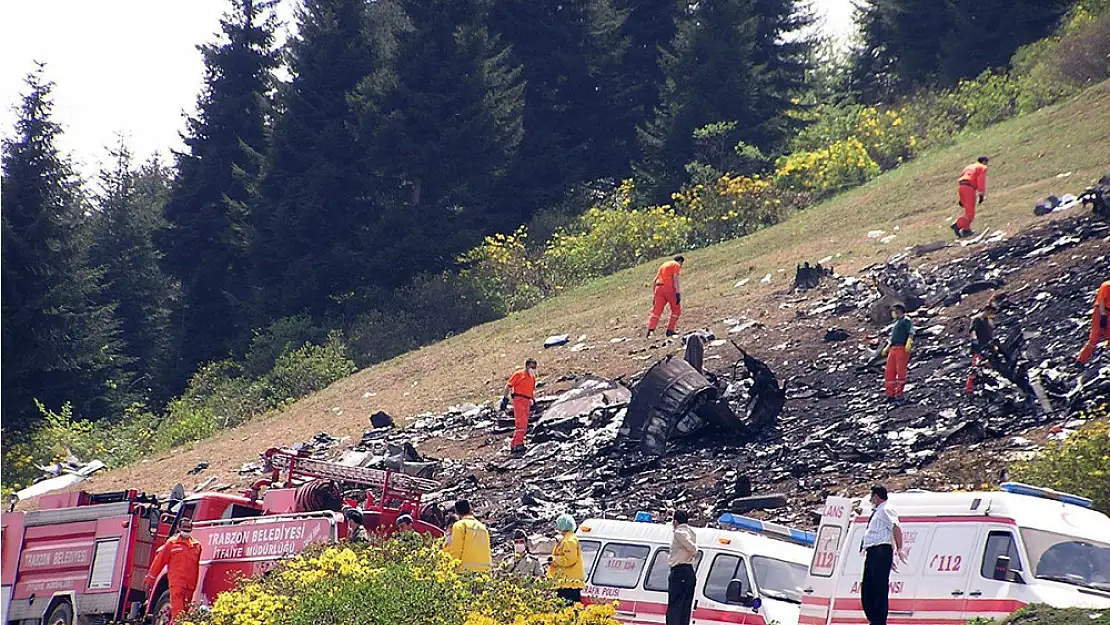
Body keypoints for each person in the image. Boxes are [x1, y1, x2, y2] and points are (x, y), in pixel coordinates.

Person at [860, 486, 907, 625]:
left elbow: (895, 527)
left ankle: (878, 620)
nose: (871, 500)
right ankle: (874, 618)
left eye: (872, 497)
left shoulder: (886, 509)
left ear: (876, 496)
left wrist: (899, 549)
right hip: (874, 552)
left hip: (880, 551)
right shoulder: (878, 512)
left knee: (879, 587)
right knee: (868, 587)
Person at [145, 517, 203, 622]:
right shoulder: (171, 543)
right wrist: (150, 578)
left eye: (188, 528)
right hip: (177, 583)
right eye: (184, 528)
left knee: (185, 612)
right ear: (179, 527)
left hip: (190, 585)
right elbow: (159, 562)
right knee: (178, 612)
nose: (186, 530)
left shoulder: (196, 546)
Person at [501, 359, 538, 456]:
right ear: (526, 367)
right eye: (531, 367)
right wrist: (505, 399)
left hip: (527, 400)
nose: (533, 369)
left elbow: (530, 390)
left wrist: (534, 401)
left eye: (534, 368)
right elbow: (508, 386)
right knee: (521, 422)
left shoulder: (532, 378)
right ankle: (518, 443)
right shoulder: (519, 375)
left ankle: (515, 443)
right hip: (519, 399)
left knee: (524, 423)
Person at [667, 510, 697, 625]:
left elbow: (693, 548)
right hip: (689, 571)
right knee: (685, 607)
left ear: (675, 521)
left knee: (675, 607)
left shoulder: (679, 533)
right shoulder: (691, 531)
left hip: (679, 571)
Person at [444, 500, 492, 572]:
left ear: (456, 512)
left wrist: (450, 568)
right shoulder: (482, 527)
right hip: (484, 571)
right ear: (470, 509)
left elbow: (456, 550)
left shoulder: (460, 525)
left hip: (466, 571)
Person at [548, 514, 585, 603]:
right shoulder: (567, 539)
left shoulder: (569, 541)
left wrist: (554, 561)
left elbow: (569, 560)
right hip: (566, 584)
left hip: (568, 585)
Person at [882, 304, 914, 403]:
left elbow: (911, 332)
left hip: (901, 348)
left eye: (895, 310)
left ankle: (899, 393)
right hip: (893, 349)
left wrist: (909, 342)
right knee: (889, 371)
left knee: (900, 371)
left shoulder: (906, 320)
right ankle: (890, 394)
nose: (893, 313)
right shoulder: (896, 322)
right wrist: (888, 347)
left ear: (899, 310)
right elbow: (893, 337)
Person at [647, 256, 685, 338]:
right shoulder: (676, 265)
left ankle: (650, 331)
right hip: (669, 289)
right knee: (676, 310)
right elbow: (675, 279)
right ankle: (670, 330)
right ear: (680, 261)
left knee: (656, 311)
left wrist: (654, 294)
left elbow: (654, 280)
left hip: (658, 288)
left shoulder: (663, 265)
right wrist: (678, 293)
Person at [965, 303, 999, 393]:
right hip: (979, 347)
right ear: (987, 310)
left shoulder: (987, 321)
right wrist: (974, 341)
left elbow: (990, 333)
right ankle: (969, 388)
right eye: (991, 312)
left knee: (989, 364)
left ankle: (988, 384)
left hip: (988, 346)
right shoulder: (977, 319)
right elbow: (973, 331)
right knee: (976, 367)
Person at [952, 156, 989, 237]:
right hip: (969, 188)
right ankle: (958, 224)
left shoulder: (968, 167)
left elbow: (962, 176)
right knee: (970, 213)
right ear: (984, 161)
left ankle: (966, 229)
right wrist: (981, 194)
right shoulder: (982, 167)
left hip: (961, 187)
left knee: (967, 210)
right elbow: (981, 180)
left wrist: (961, 199)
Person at [1077, 280, 1110, 364]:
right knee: (1095, 336)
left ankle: (1106, 355)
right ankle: (1081, 360)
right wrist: (1103, 315)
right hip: (1100, 310)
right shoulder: (1106, 286)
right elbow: (1102, 301)